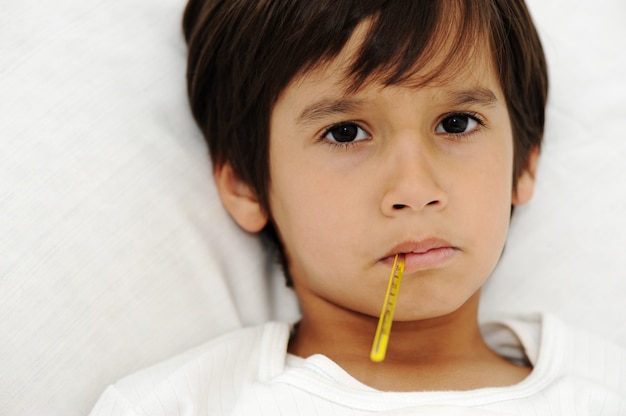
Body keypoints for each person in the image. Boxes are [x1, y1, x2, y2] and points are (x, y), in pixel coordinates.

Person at [90, 0, 626, 414]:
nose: (415, 189)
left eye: (457, 123)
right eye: (345, 133)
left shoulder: (604, 390)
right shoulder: (178, 405)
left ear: (525, 162)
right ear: (246, 185)